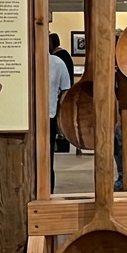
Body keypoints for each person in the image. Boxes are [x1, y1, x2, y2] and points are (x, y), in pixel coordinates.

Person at [47, 45, 71, 187]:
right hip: (49, 114)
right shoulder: (57, 62)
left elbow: (65, 91)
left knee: (47, 157)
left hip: (49, 115)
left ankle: (47, 190)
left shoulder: (57, 62)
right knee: (47, 157)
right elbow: (65, 91)